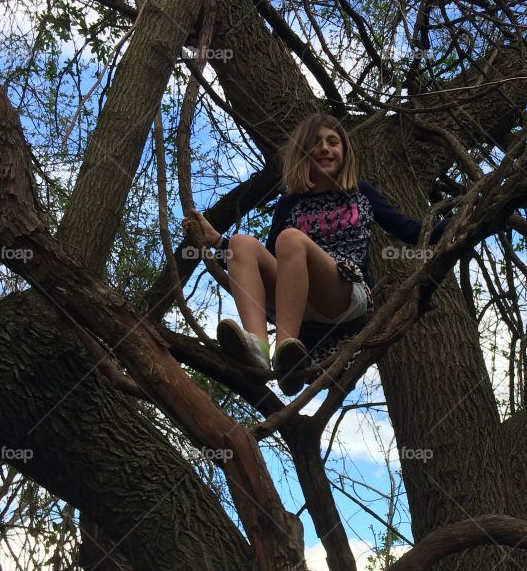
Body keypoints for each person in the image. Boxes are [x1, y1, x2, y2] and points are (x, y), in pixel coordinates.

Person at [182, 113, 448, 395]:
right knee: (242, 242)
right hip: (295, 299)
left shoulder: (361, 193)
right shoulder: (289, 204)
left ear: (345, 153)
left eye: (333, 142)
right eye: (315, 143)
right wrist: (216, 241)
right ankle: (257, 348)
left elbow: (410, 231)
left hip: (342, 292)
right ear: (302, 154)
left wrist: (460, 222)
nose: (324, 148)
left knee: (291, 240)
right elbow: (265, 263)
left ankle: (286, 353)